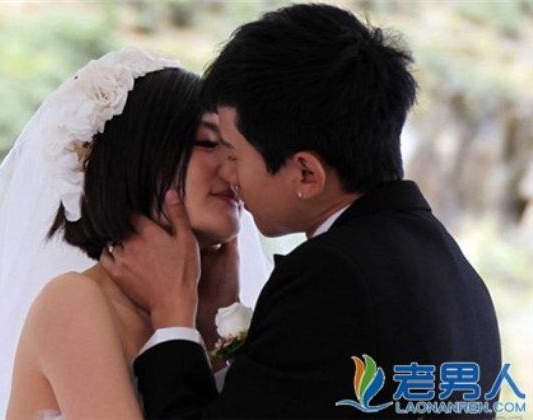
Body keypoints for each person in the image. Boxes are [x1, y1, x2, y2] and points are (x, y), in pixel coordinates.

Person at [101, 4, 502, 418]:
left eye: (235, 154)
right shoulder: (457, 274)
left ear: (306, 174)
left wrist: (171, 314)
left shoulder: (331, 279)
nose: (230, 175)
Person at [0, 47, 271, 419]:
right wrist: (175, 316)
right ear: (139, 155)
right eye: (209, 143)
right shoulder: (74, 301)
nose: (234, 171)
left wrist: (211, 331)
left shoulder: (196, 317)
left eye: (235, 150)